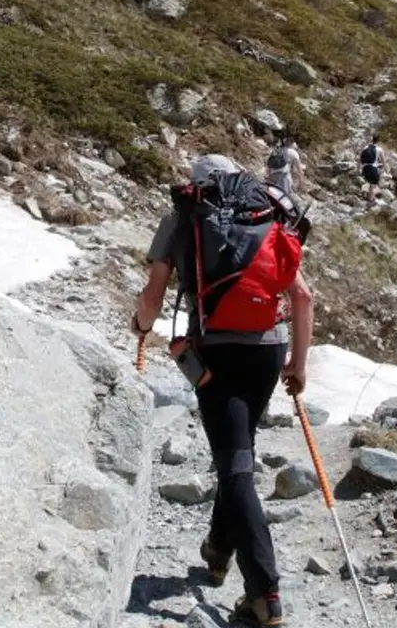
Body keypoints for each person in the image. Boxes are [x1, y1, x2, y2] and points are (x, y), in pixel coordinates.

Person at [133, 155, 313, 627]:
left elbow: (154, 293)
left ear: (195, 186)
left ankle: (265, 595)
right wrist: (299, 363)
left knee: (235, 464)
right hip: (269, 350)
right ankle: (217, 550)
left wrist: (140, 325)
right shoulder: (262, 215)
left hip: (215, 353)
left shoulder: (182, 217)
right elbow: (303, 296)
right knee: (239, 445)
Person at [264, 134, 303, 200]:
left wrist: (268, 175)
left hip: (272, 174)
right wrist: (301, 180)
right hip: (283, 176)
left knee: (271, 193)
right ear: (292, 144)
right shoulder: (293, 153)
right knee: (285, 196)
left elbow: (268, 163)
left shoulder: (278, 150)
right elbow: (299, 168)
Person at [359, 137, 385, 205]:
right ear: (378, 141)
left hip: (365, 168)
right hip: (373, 169)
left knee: (368, 183)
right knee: (373, 185)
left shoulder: (365, 148)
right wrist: (381, 167)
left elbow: (360, 159)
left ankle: (365, 196)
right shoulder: (379, 149)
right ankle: (370, 202)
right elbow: (383, 162)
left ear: (371, 139)